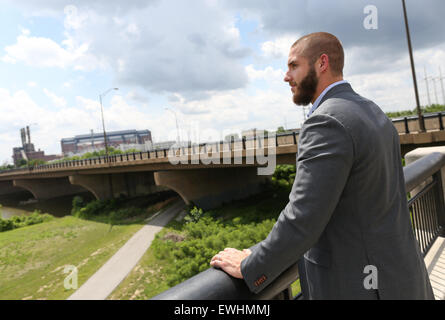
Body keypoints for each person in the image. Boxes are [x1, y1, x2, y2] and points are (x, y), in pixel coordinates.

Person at [210, 32, 434, 300]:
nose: (286, 76)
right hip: (402, 277)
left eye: (294, 65)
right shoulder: (372, 110)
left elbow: (303, 216)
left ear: (322, 63)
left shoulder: (326, 122)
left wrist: (251, 266)